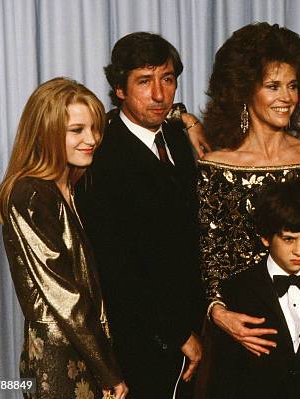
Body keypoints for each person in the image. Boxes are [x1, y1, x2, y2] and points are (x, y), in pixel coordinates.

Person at [198, 22, 300, 360]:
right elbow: (210, 255)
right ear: (244, 91)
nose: (286, 98)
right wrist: (219, 314)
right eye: (273, 86)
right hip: (246, 331)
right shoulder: (216, 166)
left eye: (292, 85)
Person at [74, 32, 205, 398]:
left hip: (192, 324)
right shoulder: (101, 156)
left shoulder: (177, 137)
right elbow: (117, 269)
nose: (160, 95)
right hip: (142, 339)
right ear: (119, 89)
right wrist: (177, 333)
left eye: (168, 79)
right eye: (144, 82)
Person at [0, 77, 128, 399]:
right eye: (77, 130)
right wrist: (109, 372)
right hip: (60, 365)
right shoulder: (31, 195)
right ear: (46, 133)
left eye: (95, 128)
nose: (92, 139)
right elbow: (67, 299)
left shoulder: (69, 189)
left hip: (85, 354)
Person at [209, 180, 300, 399]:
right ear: (266, 238)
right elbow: (224, 381)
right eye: (288, 239)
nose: (299, 250)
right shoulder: (236, 290)